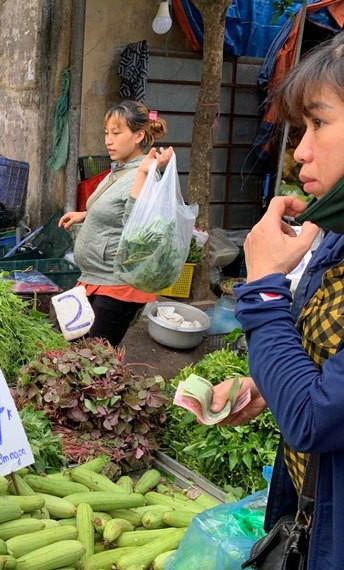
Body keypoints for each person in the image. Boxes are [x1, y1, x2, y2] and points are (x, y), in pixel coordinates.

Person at [208, 34, 344, 569]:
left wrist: (264, 283)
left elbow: (317, 417)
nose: (301, 150)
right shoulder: (332, 234)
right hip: (310, 515)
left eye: (319, 122)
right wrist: (265, 385)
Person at [57, 100, 170, 346]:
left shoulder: (144, 173)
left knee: (94, 361)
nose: (109, 140)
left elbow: (137, 230)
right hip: (96, 277)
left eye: (116, 133)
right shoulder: (119, 169)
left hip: (117, 284)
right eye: (107, 133)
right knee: (77, 350)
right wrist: (85, 215)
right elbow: (117, 208)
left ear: (139, 135)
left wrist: (142, 175)